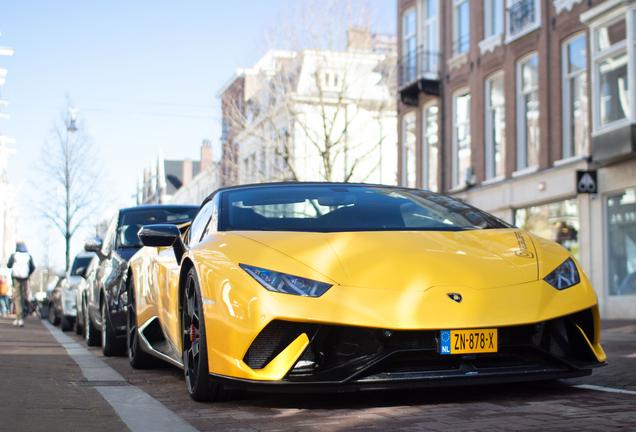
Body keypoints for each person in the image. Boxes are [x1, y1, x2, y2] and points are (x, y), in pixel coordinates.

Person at [7, 242, 36, 327]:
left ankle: (19, 317)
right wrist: (27, 274)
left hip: (16, 278)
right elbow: (33, 267)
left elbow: (9, 265)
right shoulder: (28, 256)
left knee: (17, 297)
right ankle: (24, 313)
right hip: (25, 278)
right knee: (25, 296)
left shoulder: (14, 255)